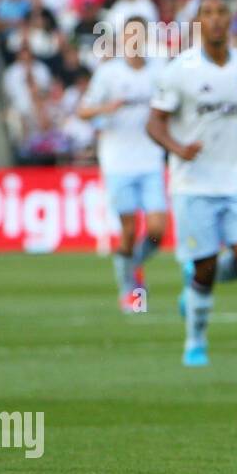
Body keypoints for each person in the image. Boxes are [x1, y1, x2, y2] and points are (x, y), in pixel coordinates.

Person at [146, 0, 237, 367]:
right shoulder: (178, 71)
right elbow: (153, 122)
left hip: (234, 180)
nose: (216, 19)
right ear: (197, 23)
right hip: (192, 184)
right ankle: (195, 343)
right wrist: (177, 147)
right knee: (202, 267)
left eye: (222, 12)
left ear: (231, 20)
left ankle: (198, 283)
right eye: (208, 13)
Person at [76, 17, 168, 311]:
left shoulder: (159, 72)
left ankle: (131, 266)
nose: (134, 40)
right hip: (117, 161)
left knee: (157, 229)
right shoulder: (108, 74)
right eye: (130, 35)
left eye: (139, 35)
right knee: (128, 230)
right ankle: (128, 288)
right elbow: (83, 112)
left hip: (151, 158)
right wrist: (107, 107)